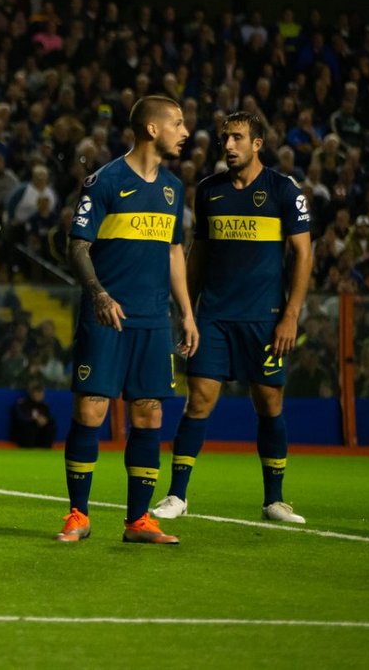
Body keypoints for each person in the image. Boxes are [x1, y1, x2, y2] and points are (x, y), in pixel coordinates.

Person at [153, 112, 312, 524]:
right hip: (215, 317)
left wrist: (291, 315)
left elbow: (303, 253)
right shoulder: (208, 191)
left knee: (268, 402)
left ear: (258, 143)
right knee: (199, 401)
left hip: (266, 319)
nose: (228, 145)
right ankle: (177, 495)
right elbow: (198, 254)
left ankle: (274, 500)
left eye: (238, 138)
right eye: (226, 138)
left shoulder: (283, 190)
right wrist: (187, 310)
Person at [59, 95, 199, 545]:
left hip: (153, 319)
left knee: (149, 413)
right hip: (107, 316)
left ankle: (138, 521)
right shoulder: (104, 181)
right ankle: (78, 515)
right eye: (177, 123)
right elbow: (76, 246)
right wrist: (98, 294)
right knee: (91, 408)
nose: (186, 131)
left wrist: (186, 313)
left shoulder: (174, 189)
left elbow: (175, 252)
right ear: (152, 129)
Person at [11, 380, 56, 448]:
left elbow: (50, 417)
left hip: (39, 433)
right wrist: (34, 420)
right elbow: (20, 419)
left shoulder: (44, 406)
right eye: (37, 392)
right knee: (29, 427)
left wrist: (45, 420)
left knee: (51, 425)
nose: (40, 394)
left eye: (41, 392)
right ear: (31, 393)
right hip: (25, 435)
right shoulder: (22, 404)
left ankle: (46, 448)